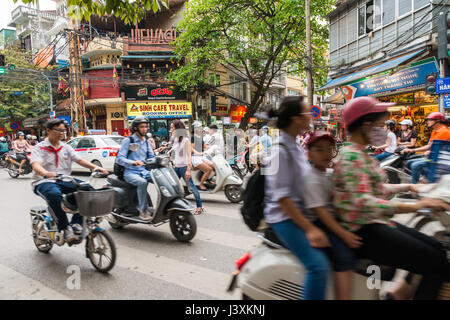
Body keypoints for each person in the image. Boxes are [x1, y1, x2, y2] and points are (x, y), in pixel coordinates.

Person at [332, 96, 450, 300]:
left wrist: (412, 186)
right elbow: (365, 202)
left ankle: (400, 293)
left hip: (375, 223)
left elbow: (377, 187)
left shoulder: (361, 153)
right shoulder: (351, 156)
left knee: (437, 247)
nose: (383, 131)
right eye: (379, 125)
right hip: (364, 231)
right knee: (438, 263)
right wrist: (418, 205)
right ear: (365, 125)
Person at [264, 96, 331, 300]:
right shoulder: (279, 151)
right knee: (319, 267)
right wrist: (310, 229)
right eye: (306, 113)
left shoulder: (296, 146)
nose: (310, 116)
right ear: (296, 119)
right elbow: (283, 199)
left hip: (302, 213)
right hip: (284, 219)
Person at [30, 119, 109, 244]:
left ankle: (77, 223)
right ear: (48, 130)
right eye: (58, 130)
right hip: (43, 182)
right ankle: (65, 227)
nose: (62, 133)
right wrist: (45, 173)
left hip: (64, 179)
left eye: (63, 131)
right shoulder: (39, 148)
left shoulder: (66, 147)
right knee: (54, 195)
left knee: (86, 188)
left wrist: (94, 167)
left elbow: (79, 160)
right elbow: (36, 165)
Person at [304, 131, 358, 300]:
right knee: (344, 257)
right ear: (309, 153)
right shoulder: (312, 178)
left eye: (329, 149)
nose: (326, 153)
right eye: (319, 150)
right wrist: (344, 234)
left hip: (332, 219)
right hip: (321, 223)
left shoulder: (327, 173)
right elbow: (322, 213)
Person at [116, 116, 155, 221]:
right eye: (142, 127)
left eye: (146, 127)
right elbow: (120, 159)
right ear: (135, 128)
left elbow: (151, 156)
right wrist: (133, 162)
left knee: (159, 178)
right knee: (142, 182)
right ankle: (142, 211)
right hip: (130, 172)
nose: (145, 129)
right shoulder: (129, 141)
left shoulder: (146, 141)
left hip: (143, 171)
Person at [402, 112, 450, 184]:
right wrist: (412, 150)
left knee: (415, 165)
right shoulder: (435, 131)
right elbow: (429, 145)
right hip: (432, 156)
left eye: (430, 120)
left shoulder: (444, 131)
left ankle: (415, 186)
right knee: (409, 162)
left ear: (437, 121)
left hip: (438, 159)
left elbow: (431, 147)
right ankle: (423, 177)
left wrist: (412, 150)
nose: (427, 122)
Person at [171, 120, 204, 215]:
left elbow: (189, 155)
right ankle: (176, 204)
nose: (171, 129)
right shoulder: (175, 138)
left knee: (192, 187)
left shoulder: (186, 140)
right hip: (176, 167)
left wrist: (188, 170)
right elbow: (174, 151)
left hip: (184, 167)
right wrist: (172, 159)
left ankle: (199, 206)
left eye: (172, 127)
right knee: (173, 186)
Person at [191, 121, 214, 191]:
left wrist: (214, 147)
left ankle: (208, 179)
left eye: (201, 127)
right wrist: (198, 153)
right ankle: (201, 184)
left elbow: (204, 146)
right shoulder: (193, 137)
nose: (201, 129)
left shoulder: (200, 136)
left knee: (213, 165)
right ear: (195, 128)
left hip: (202, 156)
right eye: (199, 127)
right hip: (195, 157)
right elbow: (191, 149)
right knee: (209, 169)